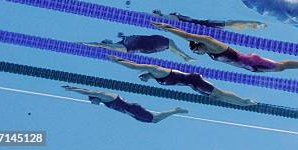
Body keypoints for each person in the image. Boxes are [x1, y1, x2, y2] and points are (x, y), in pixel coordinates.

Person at [152, 21, 298, 73]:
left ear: (199, 45)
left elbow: (187, 36)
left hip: (249, 60)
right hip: (248, 66)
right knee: (279, 69)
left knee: (280, 67)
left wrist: (166, 27)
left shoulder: (210, 42)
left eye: (195, 49)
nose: (197, 52)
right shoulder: (210, 52)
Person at [107, 55, 256, 106]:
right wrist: (148, 77)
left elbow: (135, 66)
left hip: (193, 80)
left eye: (144, 75)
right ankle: (243, 104)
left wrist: (118, 61)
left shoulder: (157, 70)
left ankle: (244, 102)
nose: (143, 77)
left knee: (219, 93)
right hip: (192, 85)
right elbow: (144, 74)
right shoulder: (156, 78)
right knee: (216, 97)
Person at [62, 85, 187, 123]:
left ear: (95, 97)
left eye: (92, 100)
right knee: (155, 119)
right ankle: (174, 110)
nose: (92, 103)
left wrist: (73, 89)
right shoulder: (104, 102)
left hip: (133, 109)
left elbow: (88, 92)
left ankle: (175, 110)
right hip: (131, 112)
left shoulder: (105, 96)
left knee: (155, 119)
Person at [82, 32, 194, 62]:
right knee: (169, 43)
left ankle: (185, 57)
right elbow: (99, 44)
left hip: (149, 41)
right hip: (148, 44)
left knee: (170, 42)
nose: (106, 40)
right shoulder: (120, 48)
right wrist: (84, 44)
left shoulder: (121, 42)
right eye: (105, 42)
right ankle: (185, 57)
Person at [152, 9, 266, 30]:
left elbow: (171, 23)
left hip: (204, 25)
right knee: (229, 25)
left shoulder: (171, 17)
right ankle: (250, 24)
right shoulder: (170, 17)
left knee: (229, 24)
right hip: (202, 30)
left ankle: (253, 23)